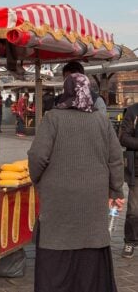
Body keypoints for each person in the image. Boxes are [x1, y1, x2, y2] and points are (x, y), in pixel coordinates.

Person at [28, 73, 124, 292]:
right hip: (93, 198)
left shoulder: (53, 118)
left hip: (59, 199)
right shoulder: (101, 119)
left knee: (57, 243)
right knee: (91, 245)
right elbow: (115, 158)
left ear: (67, 90)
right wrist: (116, 190)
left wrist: (37, 179)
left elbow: (37, 156)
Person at [118, 103, 138, 258]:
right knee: (134, 209)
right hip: (137, 169)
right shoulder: (133, 111)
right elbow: (123, 137)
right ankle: (130, 241)